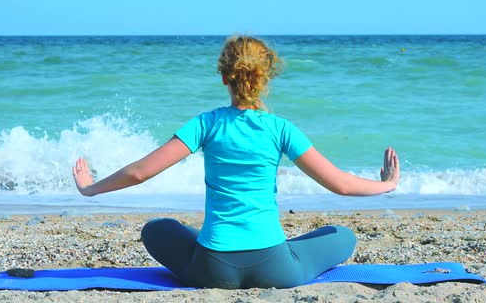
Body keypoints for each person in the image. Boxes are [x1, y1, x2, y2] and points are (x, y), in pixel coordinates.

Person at [73, 36, 400, 289]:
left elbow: (139, 172)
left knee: (156, 229)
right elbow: (341, 185)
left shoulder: (207, 124)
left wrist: (91, 188)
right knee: (342, 236)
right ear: (266, 79)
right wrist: (387, 184)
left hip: (211, 269)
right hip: (276, 267)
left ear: (224, 78)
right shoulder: (281, 128)